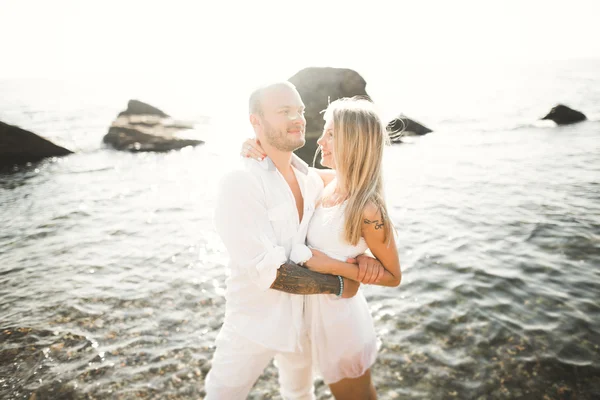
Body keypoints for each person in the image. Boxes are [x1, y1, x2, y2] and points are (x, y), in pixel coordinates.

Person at [206, 81, 386, 400]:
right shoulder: (241, 183)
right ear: (255, 121)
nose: (298, 118)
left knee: (300, 395)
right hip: (253, 326)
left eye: (300, 110)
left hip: (301, 325)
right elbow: (272, 273)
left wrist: (366, 251)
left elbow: (356, 185)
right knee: (222, 395)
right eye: (284, 111)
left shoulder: (310, 179)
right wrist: (340, 284)